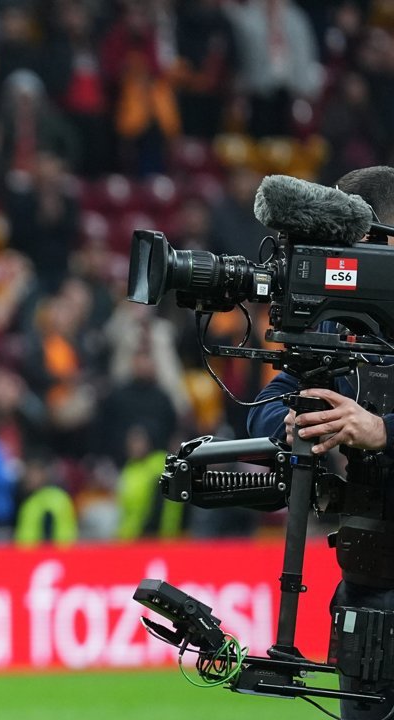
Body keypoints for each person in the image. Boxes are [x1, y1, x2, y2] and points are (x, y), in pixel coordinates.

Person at [246, 165, 394, 719]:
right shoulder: (338, 319)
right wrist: (291, 421)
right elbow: (268, 402)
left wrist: (381, 430)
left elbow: (378, 429)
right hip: (367, 587)